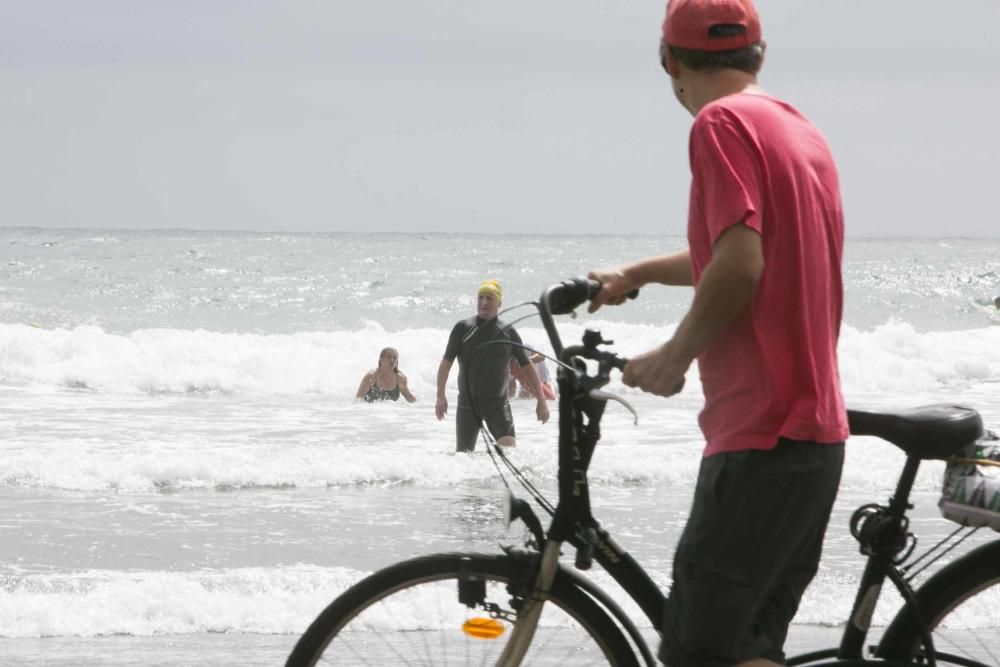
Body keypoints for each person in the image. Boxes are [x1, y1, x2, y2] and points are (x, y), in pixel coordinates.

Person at [588, 1, 849, 665]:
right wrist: (636, 272)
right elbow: (747, 248)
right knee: (745, 647)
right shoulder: (796, 128)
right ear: (758, 54)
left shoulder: (719, 123)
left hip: (760, 435)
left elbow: (740, 263)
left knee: (698, 650)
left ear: (669, 61)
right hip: (812, 438)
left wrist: (675, 357)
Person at [435, 279, 550, 451]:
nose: (483, 302)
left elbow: (527, 366)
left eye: (489, 298)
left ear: (499, 303)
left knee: (509, 451)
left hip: (498, 405)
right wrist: (440, 395)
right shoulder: (463, 328)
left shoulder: (508, 332)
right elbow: (446, 363)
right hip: (468, 405)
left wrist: (541, 400)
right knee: (464, 458)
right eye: (481, 298)